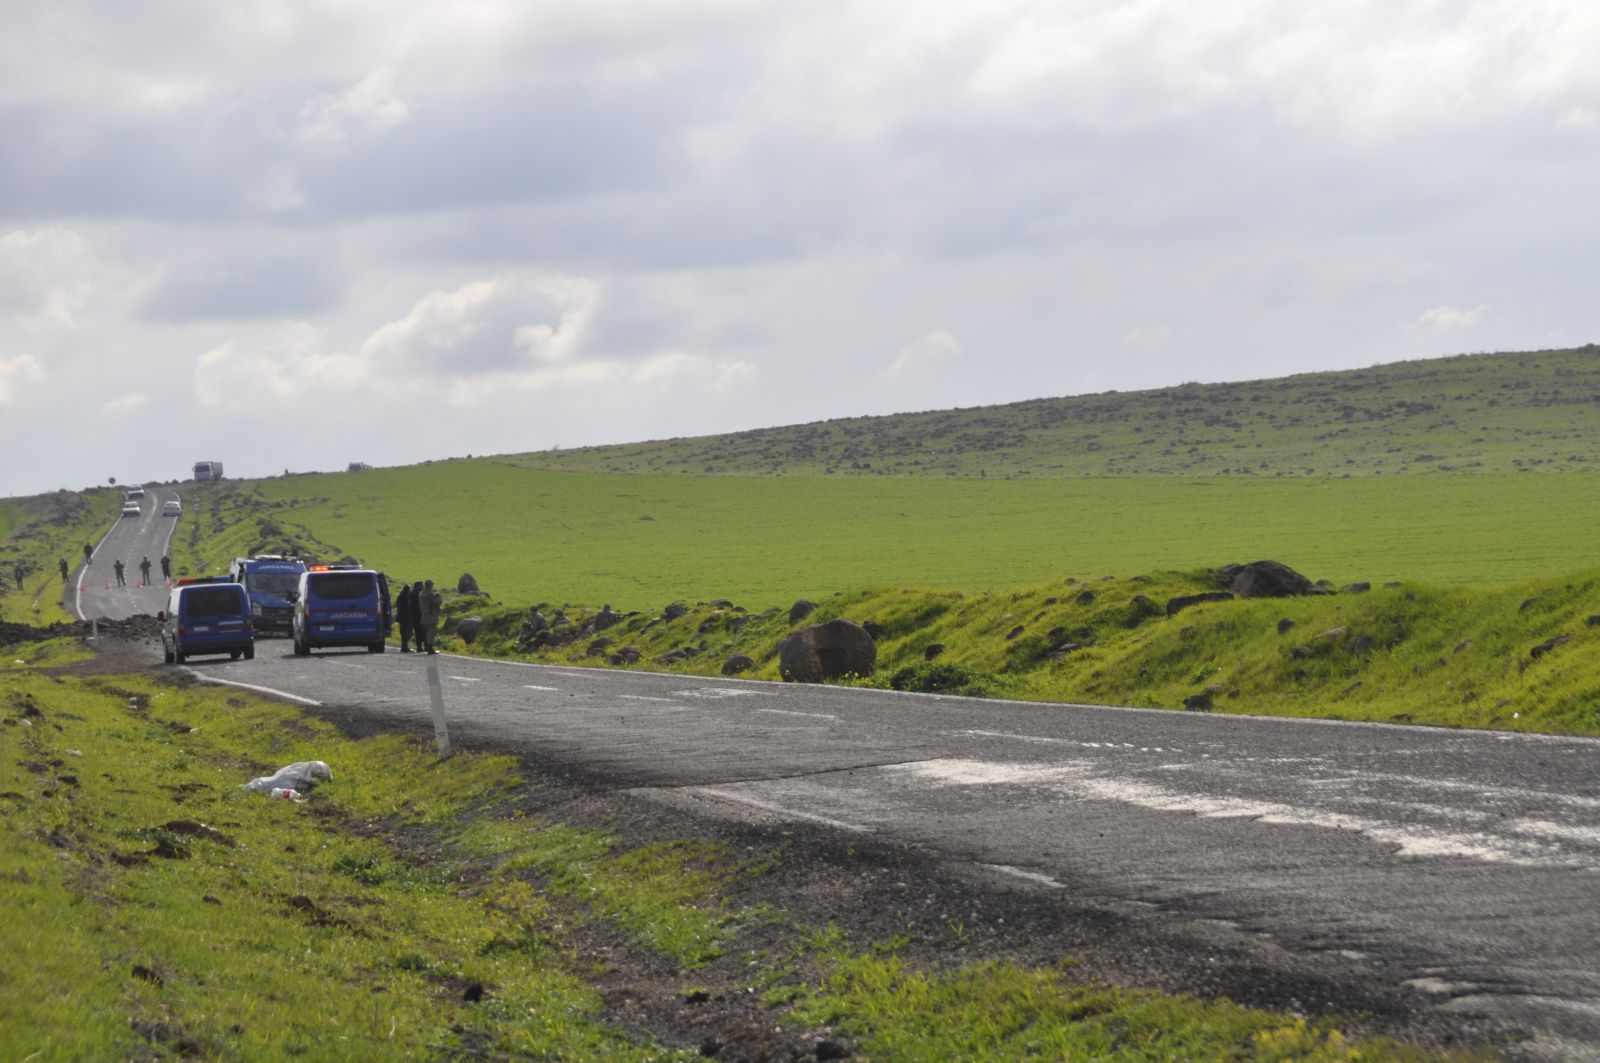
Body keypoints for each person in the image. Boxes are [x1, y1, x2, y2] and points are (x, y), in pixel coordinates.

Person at [416, 579, 441, 654]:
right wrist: (439, 597)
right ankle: (430, 648)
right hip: (431, 616)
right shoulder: (430, 594)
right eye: (432, 585)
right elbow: (436, 602)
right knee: (432, 632)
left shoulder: (420, 593)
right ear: (430, 586)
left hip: (423, 615)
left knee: (427, 633)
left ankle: (428, 647)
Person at [395, 582, 414, 652]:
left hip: (401, 617)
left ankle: (404, 646)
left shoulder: (400, 595)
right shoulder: (406, 596)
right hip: (406, 617)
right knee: (408, 632)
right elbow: (407, 607)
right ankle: (405, 646)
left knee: (404, 632)